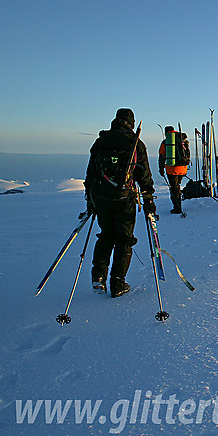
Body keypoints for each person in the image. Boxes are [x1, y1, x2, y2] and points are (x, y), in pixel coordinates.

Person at [84, 108, 155, 298]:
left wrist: (89, 200)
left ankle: (98, 276)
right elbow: (144, 175)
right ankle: (117, 283)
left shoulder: (101, 141)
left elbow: (91, 172)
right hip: (125, 197)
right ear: (131, 123)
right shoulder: (135, 143)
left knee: (106, 235)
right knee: (124, 239)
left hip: (100, 197)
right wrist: (148, 199)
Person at [158, 126, 189, 215]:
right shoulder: (183, 140)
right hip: (183, 169)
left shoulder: (165, 142)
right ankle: (178, 204)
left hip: (172, 169)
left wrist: (161, 169)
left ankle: (177, 208)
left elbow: (162, 156)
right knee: (177, 186)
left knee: (174, 188)